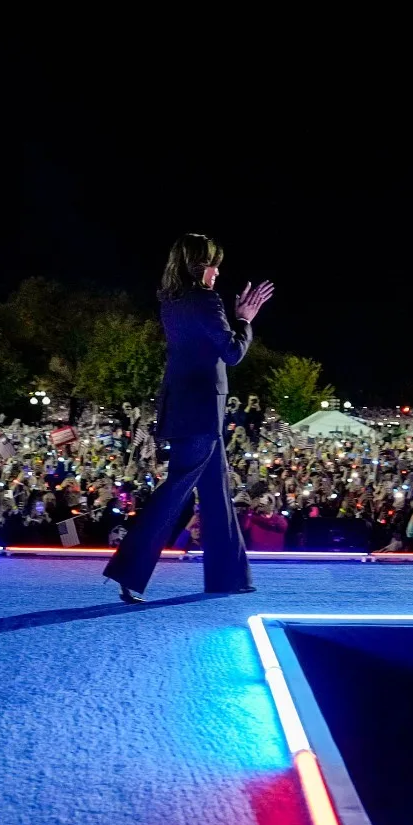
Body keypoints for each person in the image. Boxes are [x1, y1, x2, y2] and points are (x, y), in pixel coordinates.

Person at [103, 233, 273, 601]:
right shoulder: (204, 300)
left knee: (216, 495)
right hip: (200, 412)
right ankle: (128, 570)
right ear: (200, 265)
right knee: (176, 491)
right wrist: (244, 320)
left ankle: (229, 577)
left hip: (185, 407)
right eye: (214, 264)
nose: (217, 273)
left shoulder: (172, 300)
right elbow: (231, 353)